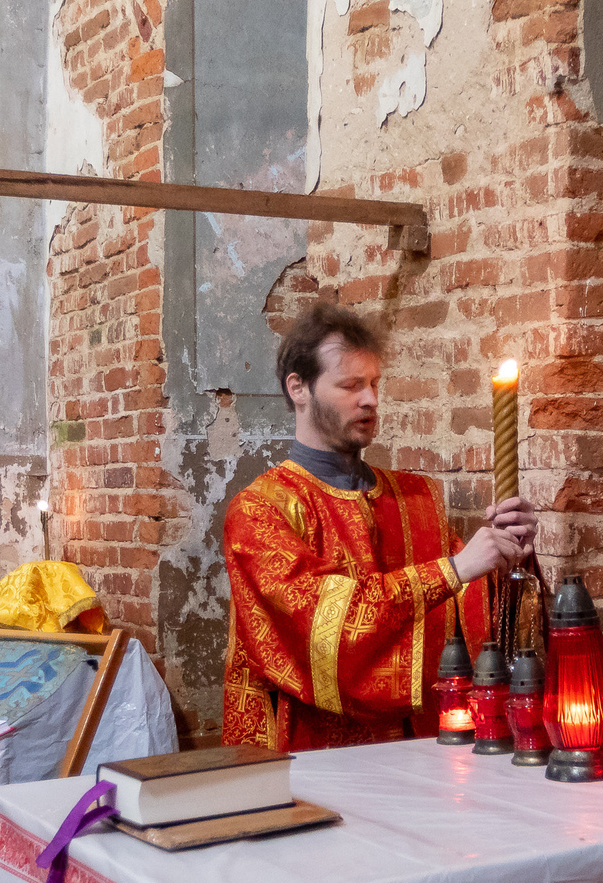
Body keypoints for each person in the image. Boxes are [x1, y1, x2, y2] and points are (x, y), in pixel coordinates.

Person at [220, 304, 537, 750]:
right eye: (350, 385)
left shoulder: (415, 498)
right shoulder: (259, 511)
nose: (369, 399)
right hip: (313, 756)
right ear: (299, 388)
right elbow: (321, 630)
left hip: (425, 747)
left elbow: (471, 616)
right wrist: (454, 569)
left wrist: (509, 560)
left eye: (374, 383)